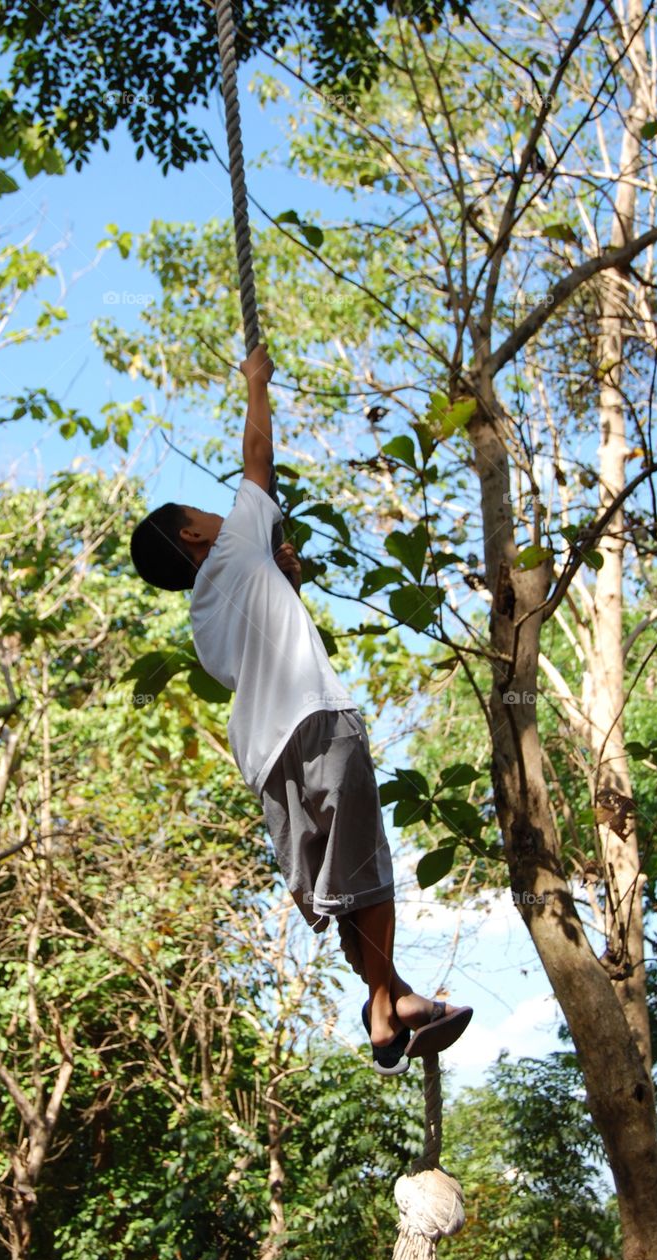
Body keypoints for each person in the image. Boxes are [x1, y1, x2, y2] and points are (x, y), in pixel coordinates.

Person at [130, 343, 472, 1074]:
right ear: (193, 535)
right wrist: (255, 384)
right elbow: (259, 458)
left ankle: (392, 1005)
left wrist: (283, 582)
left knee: (339, 885)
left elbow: (264, 639)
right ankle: (388, 1005)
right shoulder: (232, 550)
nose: (221, 512)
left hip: (263, 756)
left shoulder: (203, 621)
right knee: (366, 867)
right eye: (205, 511)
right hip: (316, 721)